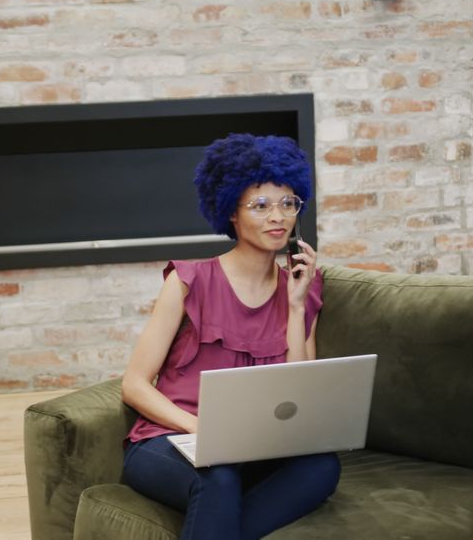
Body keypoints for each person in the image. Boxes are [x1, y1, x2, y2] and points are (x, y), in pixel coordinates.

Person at [120, 133, 340, 540]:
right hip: (174, 439)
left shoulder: (304, 286)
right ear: (231, 212)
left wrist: (295, 305)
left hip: (254, 446)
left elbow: (300, 393)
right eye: (260, 205)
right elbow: (134, 385)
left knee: (322, 466)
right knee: (216, 476)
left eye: (288, 203)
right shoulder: (188, 281)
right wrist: (200, 429)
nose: (278, 216)